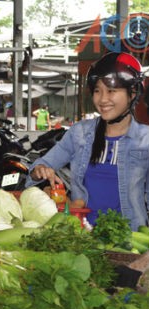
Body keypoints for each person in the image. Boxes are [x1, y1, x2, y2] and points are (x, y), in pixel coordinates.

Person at [25, 52, 149, 231]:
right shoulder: (80, 133)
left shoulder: (145, 140)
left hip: (130, 240)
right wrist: (39, 171)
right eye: (97, 91)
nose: (102, 99)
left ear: (133, 93)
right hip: (83, 235)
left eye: (111, 91)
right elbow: (41, 165)